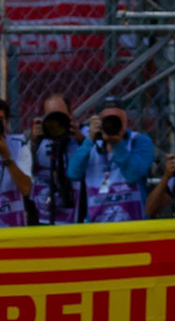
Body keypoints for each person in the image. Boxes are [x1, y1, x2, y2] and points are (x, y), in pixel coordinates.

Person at [67, 99, 154, 223]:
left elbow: (132, 175)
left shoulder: (139, 141)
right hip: (97, 228)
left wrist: (117, 144)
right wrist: (89, 139)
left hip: (134, 226)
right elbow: (73, 173)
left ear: (126, 120)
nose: (112, 123)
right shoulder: (91, 145)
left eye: (118, 118)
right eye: (107, 119)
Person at [28, 94, 81, 226]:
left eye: (61, 116)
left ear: (70, 115)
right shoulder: (38, 141)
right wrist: (33, 142)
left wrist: (82, 139)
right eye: (51, 116)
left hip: (75, 218)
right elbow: (25, 175)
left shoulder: (81, 138)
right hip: (42, 218)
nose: (57, 123)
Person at [0, 100, 32, 227]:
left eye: (0, 119)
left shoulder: (19, 145)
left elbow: (26, 189)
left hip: (13, 225)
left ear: (6, 122)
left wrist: (6, 157)